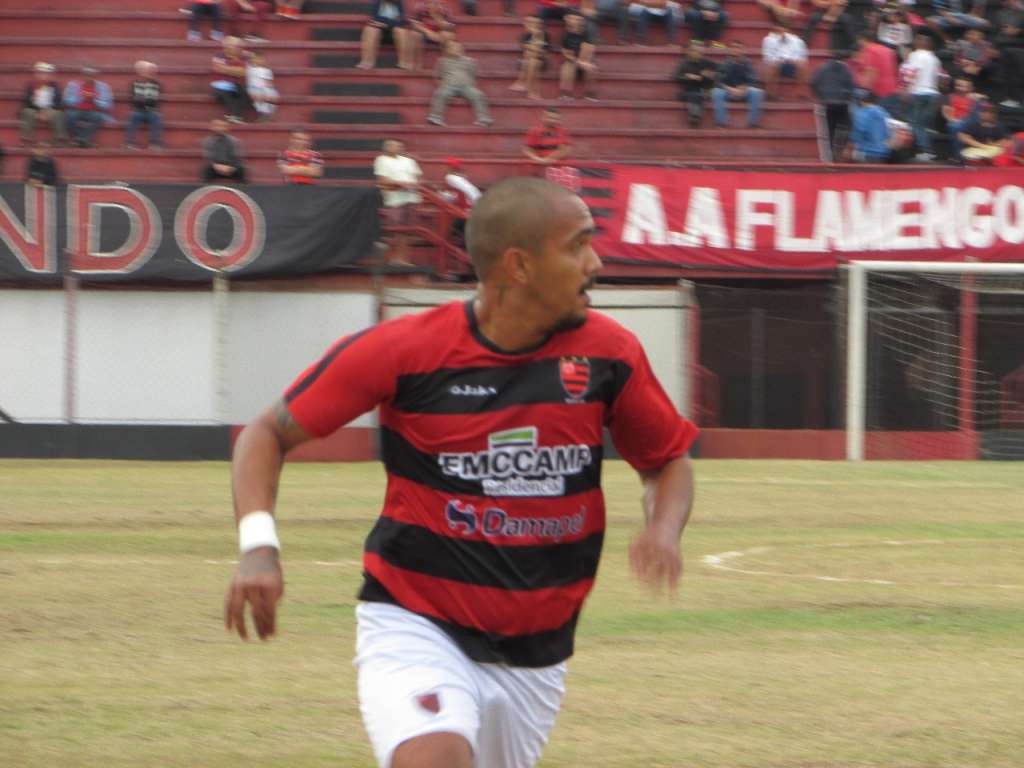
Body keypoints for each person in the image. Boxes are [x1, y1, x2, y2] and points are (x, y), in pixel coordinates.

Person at [223, 174, 698, 768]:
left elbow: (666, 461)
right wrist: (258, 547)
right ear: (519, 266)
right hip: (416, 624)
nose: (594, 262)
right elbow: (266, 434)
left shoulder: (610, 354)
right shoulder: (405, 351)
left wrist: (663, 528)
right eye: (577, 245)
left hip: (537, 657)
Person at [374, 138, 423, 264]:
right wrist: (402, 184)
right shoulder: (381, 160)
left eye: (397, 146)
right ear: (386, 147)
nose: (395, 148)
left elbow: (418, 180)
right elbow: (382, 181)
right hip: (393, 200)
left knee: (407, 231)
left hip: (411, 198)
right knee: (396, 230)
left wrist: (411, 185)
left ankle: (404, 259)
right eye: (391, 145)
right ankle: (394, 258)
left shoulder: (410, 161)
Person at [428, 41, 494, 127]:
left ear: (462, 49)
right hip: (448, 86)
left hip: (466, 86)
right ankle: (435, 117)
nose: (454, 49)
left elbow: (474, 75)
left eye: (457, 47)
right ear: (447, 50)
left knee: (478, 95)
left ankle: (484, 118)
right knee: (440, 94)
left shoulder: (470, 61)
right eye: (451, 47)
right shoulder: (442, 61)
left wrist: (471, 84)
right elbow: (437, 76)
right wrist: (441, 85)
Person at [902, 33, 942, 161]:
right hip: (933, 94)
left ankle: (927, 151)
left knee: (915, 123)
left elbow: (911, 72)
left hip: (919, 93)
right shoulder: (935, 59)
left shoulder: (915, 55)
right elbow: (942, 78)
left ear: (920, 42)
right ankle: (924, 148)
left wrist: (906, 89)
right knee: (923, 124)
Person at [810, 48, 855, 161]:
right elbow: (851, 85)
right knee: (847, 126)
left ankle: (829, 155)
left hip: (827, 102)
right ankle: (840, 149)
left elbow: (814, 82)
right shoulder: (846, 69)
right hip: (842, 103)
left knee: (829, 129)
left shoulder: (822, 68)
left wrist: (821, 96)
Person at [711, 40, 764, 127]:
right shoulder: (725, 63)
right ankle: (721, 123)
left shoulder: (748, 63)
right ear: (730, 50)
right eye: (734, 48)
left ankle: (753, 123)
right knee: (716, 92)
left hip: (744, 91)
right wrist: (729, 88)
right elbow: (718, 80)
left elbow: (754, 80)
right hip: (728, 91)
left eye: (738, 48)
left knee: (757, 92)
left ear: (743, 50)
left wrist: (745, 87)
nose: (736, 50)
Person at [63, 66, 115, 148]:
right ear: (82, 75)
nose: (88, 77)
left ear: (95, 76)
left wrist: (94, 99)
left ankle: (80, 140)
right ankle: (82, 139)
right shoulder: (73, 85)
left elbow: (108, 106)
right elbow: (67, 101)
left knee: (98, 117)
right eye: (86, 75)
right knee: (69, 115)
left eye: (91, 75)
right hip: (77, 110)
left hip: (94, 111)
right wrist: (80, 98)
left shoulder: (103, 87)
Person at [20, 62, 68, 147]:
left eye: (45, 73)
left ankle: (59, 140)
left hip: (50, 110)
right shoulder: (31, 85)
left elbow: (58, 101)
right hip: (35, 110)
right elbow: (26, 101)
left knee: (59, 114)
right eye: (40, 73)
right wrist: (38, 111)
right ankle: (26, 140)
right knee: (27, 112)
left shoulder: (54, 86)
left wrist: (48, 111)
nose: (43, 75)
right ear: (36, 74)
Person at [674, 39, 717, 126]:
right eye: (696, 51)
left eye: (700, 51)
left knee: (701, 95)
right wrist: (688, 77)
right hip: (687, 91)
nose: (698, 53)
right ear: (690, 52)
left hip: (704, 90)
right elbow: (676, 77)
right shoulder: (684, 63)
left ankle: (694, 116)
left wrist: (712, 75)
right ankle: (695, 116)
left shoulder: (706, 62)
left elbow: (721, 69)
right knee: (695, 95)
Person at [358, 0, 412, 69]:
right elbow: (374, 19)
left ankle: (403, 62)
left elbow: (401, 22)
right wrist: (392, 22)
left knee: (401, 31)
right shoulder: (377, 2)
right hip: (380, 32)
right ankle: (367, 61)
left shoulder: (398, 2)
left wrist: (385, 24)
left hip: (393, 32)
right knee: (370, 29)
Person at [761, 22, 809, 100]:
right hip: (776, 66)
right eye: (778, 29)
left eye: (783, 29)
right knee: (772, 65)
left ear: (787, 30)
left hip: (792, 66)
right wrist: (778, 61)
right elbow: (767, 58)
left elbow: (803, 57)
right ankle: (770, 94)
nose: (781, 31)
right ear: (775, 29)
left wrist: (793, 61)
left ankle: (802, 94)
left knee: (802, 65)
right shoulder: (768, 40)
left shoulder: (797, 41)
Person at [943, 76, 985, 160]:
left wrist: (980, 97)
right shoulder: (950, 97)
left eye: (963, 86)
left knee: (979, 102)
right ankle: (960, 156)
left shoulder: (975, 97)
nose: (959, 87)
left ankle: (961, 156)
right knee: (954, 126)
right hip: (958, 121)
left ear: (970, 88)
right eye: (958, 85)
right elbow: (946, 112)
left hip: (972, 121)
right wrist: (952, 120)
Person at [510, 14, 551, 99]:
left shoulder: (545, 35)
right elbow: (527, 48)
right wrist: (535, 46)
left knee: (532, 59)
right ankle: (533, 92)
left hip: (541, 60)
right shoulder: (524, 35)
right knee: (532, 61)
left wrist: (536, 36)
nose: (531, 24)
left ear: (539, 24)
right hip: (527, 61)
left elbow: (544, 53)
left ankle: (522, 83)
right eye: (528, 22)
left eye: (534, 22)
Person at [559, 12, 599, 100]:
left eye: (576, 19)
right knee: (566, 68)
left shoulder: (587, 32)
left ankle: (590, 94)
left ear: (581, 21)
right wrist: (577, 62)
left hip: (585, 58)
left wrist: (583, 62)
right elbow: (566, 52)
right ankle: (565, 93)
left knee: (591, 68)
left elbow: (589, 49)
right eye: (571, 19)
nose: (573, 21)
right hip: (573, 59)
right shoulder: (565, 33)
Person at [212, 36, 252, 122]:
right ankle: (236, 116)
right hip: (221, 85)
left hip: (239, 85)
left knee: (244, 91)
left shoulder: (245, 56)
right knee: (226, 91)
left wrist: (226, 69)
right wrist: (236, 70)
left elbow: (244, 72)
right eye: (236, 46)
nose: (239, 49)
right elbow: (217, 68)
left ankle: (235, 116)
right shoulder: (219, 55)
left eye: (239, 47)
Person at [125, 60, 163, 150]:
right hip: (139, 110)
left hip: (151, 110)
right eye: (143, 71)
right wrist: (144, 101)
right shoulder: (135, 84)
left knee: (156, 116)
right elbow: (134, 100)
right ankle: (129, 143)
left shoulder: (155, 84)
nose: (146, 73)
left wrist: (142, 100)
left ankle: (155, 143)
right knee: (133, 116)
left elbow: (153, 101)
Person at [408, 0, 456, 70]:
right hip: (424, 34)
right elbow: (415, 25)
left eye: (437, 3)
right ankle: (417, 64)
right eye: (432, 3)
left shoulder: (445, 9)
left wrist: (436, 17)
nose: (435, 5)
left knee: (447, 35)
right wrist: (429, 33)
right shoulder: (420, 8)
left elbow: (450, 28)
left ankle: (446, 65)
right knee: (415, 34)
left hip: (440, 35)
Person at [849, 90, 891, 161]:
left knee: (852, 156)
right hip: (882, 154)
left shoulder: (861, 113)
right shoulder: (884, 113)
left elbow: (857, 134)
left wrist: (848, 150)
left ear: (862, 101)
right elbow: (888, 134)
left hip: (865, 154)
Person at [246, 51, 279, 121]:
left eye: (260, 59)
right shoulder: (250, 69)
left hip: (263, 89)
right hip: (252, 88)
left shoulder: (266, 70)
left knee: (264, 99)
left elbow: (268, 82)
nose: (257, 61)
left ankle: (266, 115)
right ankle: (262, 114)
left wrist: (266, 90)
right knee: (256, 100)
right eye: (255, 59)